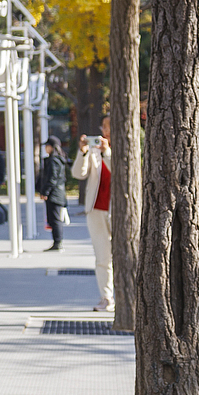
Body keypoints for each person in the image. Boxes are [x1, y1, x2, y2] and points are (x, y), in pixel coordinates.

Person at [71, 116, 116, 312]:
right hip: (96, 208)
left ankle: (126, 295)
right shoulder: (94, 151)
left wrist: (107, 152)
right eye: (103, 126)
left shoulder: (127, 146)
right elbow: (78, 174)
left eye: (107, 126)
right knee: (102, 256)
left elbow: (122, 171)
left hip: (120, 210)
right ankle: (106, 297)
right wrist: (83, 152)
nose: (104, 131)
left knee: (125, 255)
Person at [36, 136, 70, 251]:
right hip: (56, 193)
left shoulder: (54, 161)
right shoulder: (56, 159)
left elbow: (52, 178)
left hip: (54, 194)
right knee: (53, 218)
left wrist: (45, 191)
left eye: (47, 146)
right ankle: (57, 241)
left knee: (55, 219)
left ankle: (58, 242)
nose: (45, 148)